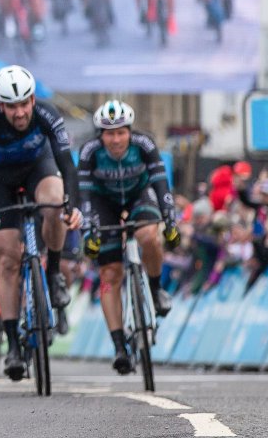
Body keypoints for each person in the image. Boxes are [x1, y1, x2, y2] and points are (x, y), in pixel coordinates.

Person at [0, 65, 82, 382]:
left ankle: (53, 273)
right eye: (11, 106)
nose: (19, 113)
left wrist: (71, 207)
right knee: (6, 259)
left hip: (39, 167)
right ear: (0, 105)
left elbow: (67, 165)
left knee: (55, 203)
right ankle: (13, 347)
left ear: (32, 99)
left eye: (24, 104)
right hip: (1, 180)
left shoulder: (47, 113)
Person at [78, 100, 179, 374]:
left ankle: (156, 290)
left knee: (149, 235)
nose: (116, 139)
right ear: (100, 135)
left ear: (129, 132)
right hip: (103, 203)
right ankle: (120, 346)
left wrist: (170, 218)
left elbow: (160, 182)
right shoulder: (89, 151)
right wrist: (89, 229)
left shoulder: (144, 145)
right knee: (110, 274)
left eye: (121, 132)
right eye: (109, 133)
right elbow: (84, 194)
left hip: (139, 195)